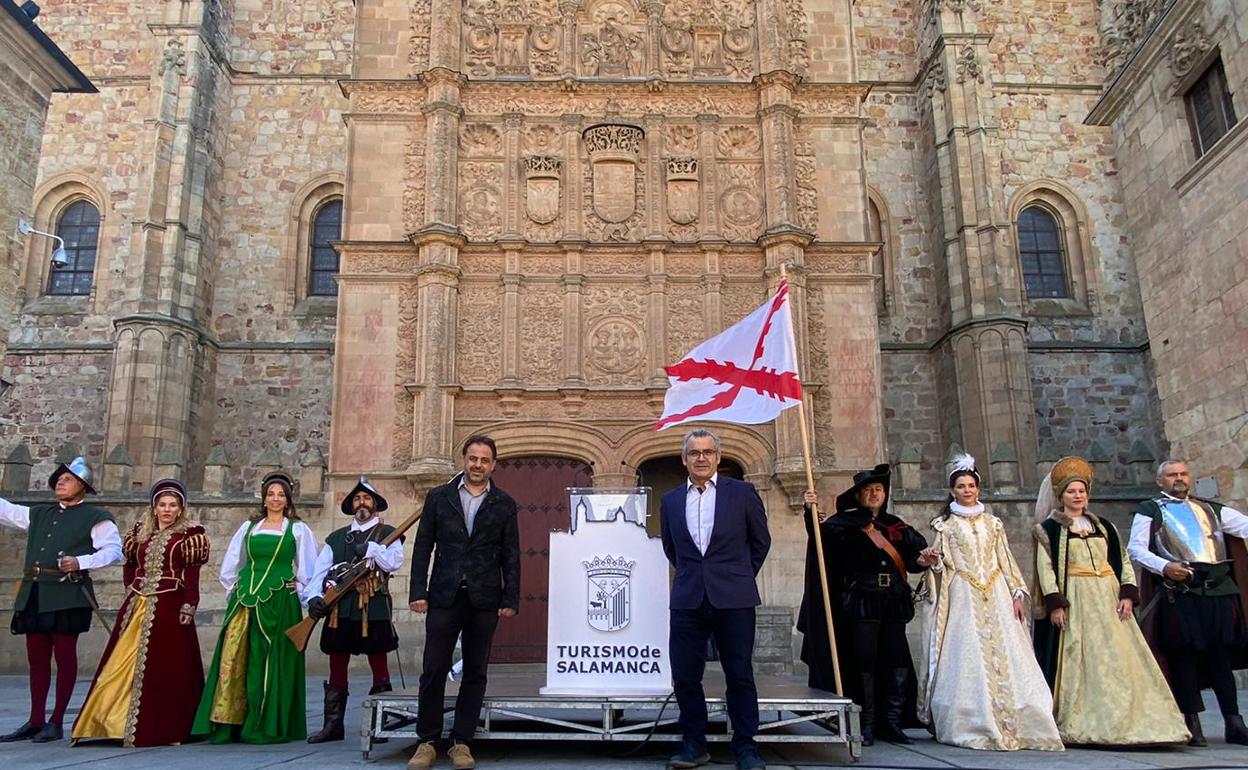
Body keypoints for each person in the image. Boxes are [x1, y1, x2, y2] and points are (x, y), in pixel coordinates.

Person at [1031, 456, 1188, 745]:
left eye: (1081, 491)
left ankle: (1136, 719)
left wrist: (1127, 593)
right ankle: (1088, 719)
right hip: (1077, 599)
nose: (1077, 496)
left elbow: (1122, 561)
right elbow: (1046, 568)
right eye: (1071, 491)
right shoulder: (1049, 530)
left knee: (1121, 658)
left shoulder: (1105, 527)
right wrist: (1056, 602)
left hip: (1108, 597)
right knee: (1084, 657)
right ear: (1061, 496)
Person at [919, 454, 1062, 751]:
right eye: (961, 486)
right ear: (952, 491)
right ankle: (973, 719)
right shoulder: (944, 526)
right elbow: (942, 562)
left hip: (996, 591)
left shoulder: (993, 523)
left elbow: (1006, 559)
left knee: (1011, 654)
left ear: (978, 489)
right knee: (967, 653)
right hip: (963, 592)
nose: (967, 490)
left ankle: (1022, 720)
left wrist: (1017, 592)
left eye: (971, 485)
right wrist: (934, 561)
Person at [796, 464, 939, 746]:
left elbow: (913, 560)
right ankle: (867, 723)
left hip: (893, 603)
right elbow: (821, 547)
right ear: (858, 495)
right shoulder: (842, 525)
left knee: (896, 661)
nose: (874, 494)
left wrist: (924, 560)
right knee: (864, 662)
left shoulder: (897, 526)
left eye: (879, 489)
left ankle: (892, 723)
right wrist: (810, 514)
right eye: (868, 490)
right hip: (861, 603)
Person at [407, 435, 520, 770]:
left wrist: (510, 596)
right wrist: (417, 591)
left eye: (484, 460)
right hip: (444, 594)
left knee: (475, 670)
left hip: (484, 597)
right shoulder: (438, 497)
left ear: (493, 465)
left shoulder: (504, 503)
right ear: (464, 459)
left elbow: (511, 554)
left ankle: (461, 742)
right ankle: (427, 741)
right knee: (433, 668)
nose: (477, 465)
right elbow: (423, 546)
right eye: (473, 458)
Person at [660, 428, 771, 770]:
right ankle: (694, 744)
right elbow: (671, 548)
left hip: (734, 598)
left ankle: (746, 747)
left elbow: (761, 542)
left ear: (718, 457)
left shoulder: (743, 493)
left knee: (739, 673)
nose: (701, 458)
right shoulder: (671, 500)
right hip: (688, 598)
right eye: (694, 453)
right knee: (685, 675)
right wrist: (697, 576)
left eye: (708, 452)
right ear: (684, 459)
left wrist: (737, 576)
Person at [72, 478, 211, 746]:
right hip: (136, 604)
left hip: (169, 603)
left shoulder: (189, 536)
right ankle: (108, 722)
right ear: (154, 507)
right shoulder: (140, 533)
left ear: (181, 509)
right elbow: (130, 566)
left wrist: (190, 604)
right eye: (162, 505)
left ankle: (164, 727)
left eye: (173, 505)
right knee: (119, 661)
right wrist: (130, 588)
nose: (167, 509)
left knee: (167, 665)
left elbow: (191, 575)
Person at [0, 457, 122, 744]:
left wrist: (81, 561)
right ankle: (35, 720)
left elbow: (114, 551)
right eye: (59, 479)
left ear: (82, 486)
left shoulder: (96, 517)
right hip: (35, 592)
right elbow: (6, 510)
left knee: (64, 657)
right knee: (36, 659)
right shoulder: (41, 513)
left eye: (67, 479)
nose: (60, 483)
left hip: (68, 594)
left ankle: (56, 721)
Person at [1127, 459, 1248, 746]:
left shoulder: (1212, 509)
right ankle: (1192, 722)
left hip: (1219, 592)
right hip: (1180, 593)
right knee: (1184, 655)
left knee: (1220, 655)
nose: (1178, 478)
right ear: (1160, 481)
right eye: (1172, 475)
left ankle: (1234, 721)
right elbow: (1136, 548)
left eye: (1182, 473)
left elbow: (1245, 527)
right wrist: (1165, 567)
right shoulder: (1150, 510)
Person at [192, 471, 319, 744]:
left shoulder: (297, 529)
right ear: (263, 498)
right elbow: (232, 563)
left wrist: (301, 588)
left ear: (288, 500)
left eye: (281, 495)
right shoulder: (248, 528)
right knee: (235, 655)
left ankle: (263, 723)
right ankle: (231, 723)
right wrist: (235, 588)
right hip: (244, 601)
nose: (275, 499)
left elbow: (309, 567)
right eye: (271, 494)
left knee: (269, 658)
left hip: (279, 601)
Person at [305, 475, 405, 743]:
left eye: (367, 498)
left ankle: (380, 725)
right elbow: (320, 571)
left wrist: (371, 549)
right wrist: (314, 597)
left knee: (378, 662)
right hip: (340, 608)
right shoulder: (336, 538)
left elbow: (393, 562)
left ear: (375, 504)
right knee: (337, 662)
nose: (362, 502)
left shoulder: (388, 534)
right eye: (357, 499)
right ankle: (333, 726)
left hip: (373, 604)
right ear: (351, 505)